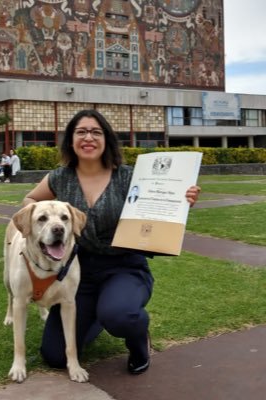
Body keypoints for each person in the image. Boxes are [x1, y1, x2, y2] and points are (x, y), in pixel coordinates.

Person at [22, 109, 201, 374]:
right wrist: (37, 221)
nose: (88, 138)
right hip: (77, 271)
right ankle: (97, 314)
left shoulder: (130, 176)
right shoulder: (60, 177)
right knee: (55, 355)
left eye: (96, 132)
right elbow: (30, 201)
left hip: (124, 266)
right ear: (71, 140)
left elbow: (161, 203)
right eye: (80, 132)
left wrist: (182, 198)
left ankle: (138, 340)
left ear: (106, 139)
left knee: (119, 315)